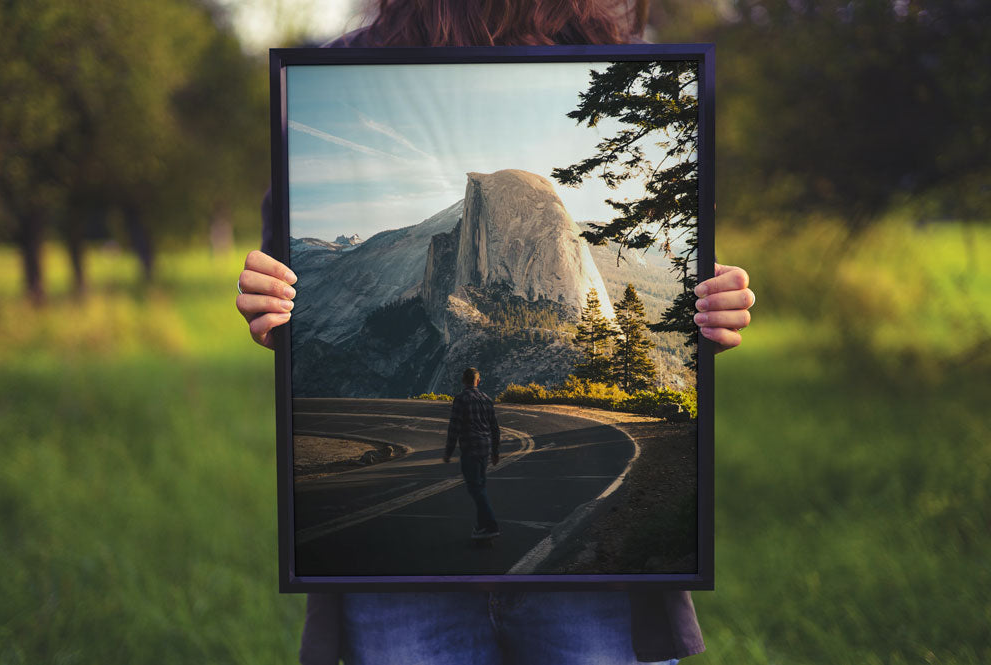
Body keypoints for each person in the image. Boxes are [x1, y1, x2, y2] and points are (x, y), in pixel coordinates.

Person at [236, 1, 755, 663]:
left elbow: (695, 282)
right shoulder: (337, 65)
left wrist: (711, 307)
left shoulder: (612, 47)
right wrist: (270, 304)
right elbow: (285, 304)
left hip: (587, 593)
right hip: (399, 587)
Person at [443, 367, 502, 539]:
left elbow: (454, 427)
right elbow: (495, 428)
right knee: (481, 487)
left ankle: (490, 525)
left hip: (470, 449)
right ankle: (482, 526)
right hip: (485, 449)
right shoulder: (486, 399)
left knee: (476, 489)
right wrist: (496, 452)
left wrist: (448, 451)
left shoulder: (461, 399)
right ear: (478, 381)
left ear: (463, 380)